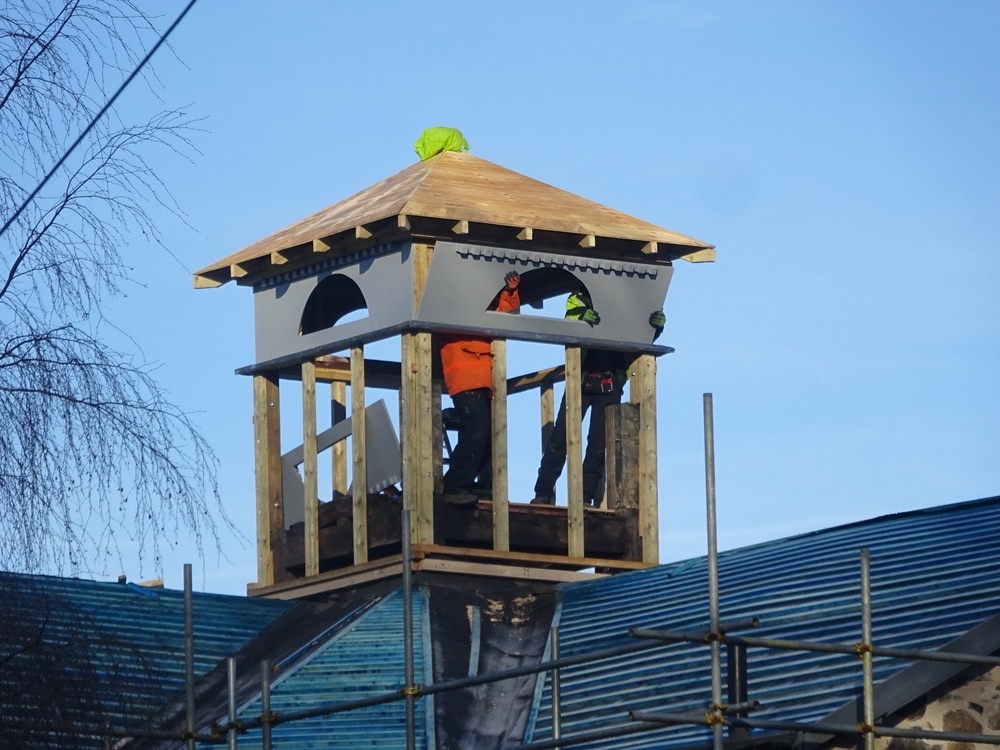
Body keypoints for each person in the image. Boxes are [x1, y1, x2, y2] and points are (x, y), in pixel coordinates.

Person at [531, 291, 665, 507]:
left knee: (598, 446)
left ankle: (583, 498)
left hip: (610, 381)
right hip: (581, 379)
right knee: (560, 439)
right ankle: (543, 493)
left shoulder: (632, 298)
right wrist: (582, 319)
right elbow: (569, 321)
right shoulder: (581, 295)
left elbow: (642, 333)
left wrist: (655, 327)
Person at [440, 270, 520, 505]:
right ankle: (454, 485)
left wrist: (510, 291)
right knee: (478, 429)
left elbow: (508, 316)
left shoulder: (472, 303)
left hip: (483, 376)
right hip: (467, 375)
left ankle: (482, 484)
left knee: (486, 432)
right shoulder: (448, 301)